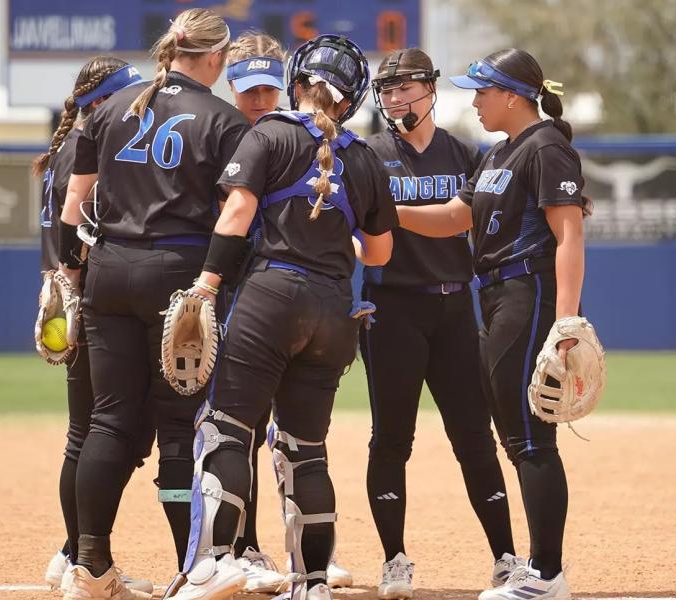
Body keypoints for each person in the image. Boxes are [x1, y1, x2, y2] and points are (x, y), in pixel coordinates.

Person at [170, 34, 396, 600]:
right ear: (353, 100)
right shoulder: (365, 157)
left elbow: (239, 213)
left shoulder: (269, 134)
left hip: (270, 296)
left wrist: (205, 284)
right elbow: (380, 252)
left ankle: (217, 562)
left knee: (227, 428)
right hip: (334, 310)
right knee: (306, 449)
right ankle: (313, 583)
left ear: (295, 83)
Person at [57, 9, 250, 600]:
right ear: (215, 58)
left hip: (109, 272)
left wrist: (70, 275)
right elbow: (235, 216)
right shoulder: (223, 119)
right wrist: (215, 282)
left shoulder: (113, 109)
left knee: (108, 420)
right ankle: (192, 568)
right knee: (177, 428)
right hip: (179, 273)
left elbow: (73, 204)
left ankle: (88, 566)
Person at [396, 49, 589, 600]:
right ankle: (540, 569)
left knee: (530, 438)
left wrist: (567, 321)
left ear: (511, 95)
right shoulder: (500, 152)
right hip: (498, 295)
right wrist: (387, 211)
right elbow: (459, 217)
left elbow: (569, 234)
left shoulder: (547, 147)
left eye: (482, 91)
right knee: (516, 436)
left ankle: (547, 575)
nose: (474, 100)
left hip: (527, 291)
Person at [361, 48, 520, 599]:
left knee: (476, 438)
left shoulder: (465, 153)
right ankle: (394, 560)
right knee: (390, 441)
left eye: (405, 86)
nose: (394, 96)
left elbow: (473, 220)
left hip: (454, 309)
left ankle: (505, 557)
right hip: (392, 311)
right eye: (386, 88)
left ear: (429, 89)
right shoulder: (368, 153)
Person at [33, 56, 156, 597]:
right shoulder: (89, 150)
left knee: (87, 434)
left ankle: (74, 551)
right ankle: (78, 552)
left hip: (69, 297)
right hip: (88, 299)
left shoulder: (67, 149)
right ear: (102, 100)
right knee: (99, 435)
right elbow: (81, 234)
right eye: (128, 94)